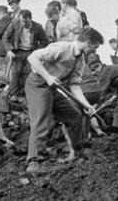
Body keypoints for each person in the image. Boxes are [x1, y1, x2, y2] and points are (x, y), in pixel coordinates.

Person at [24, 26, 104, 173]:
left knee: (74, 116)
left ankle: (78, 151)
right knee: (42, 121)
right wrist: (48, 77)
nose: (95, 52)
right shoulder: (62, 48)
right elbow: (32, 57)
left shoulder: (80, 60)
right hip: (38, 85)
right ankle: (33, 161)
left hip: (52, 88)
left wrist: (86, 105)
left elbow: (74, 85)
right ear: (87, 43)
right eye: (94, 48)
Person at [3, 9, 49, 102]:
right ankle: (13, 94)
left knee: (30, 73)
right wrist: (9, 50)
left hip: (31, 52)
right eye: (21, 21)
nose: (23, 23)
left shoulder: (38, 27)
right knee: (16, 72)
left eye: (25, 21)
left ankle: (28, 94)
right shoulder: (14, 24)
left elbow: (44, 41)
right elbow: (5, 38)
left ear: (30, 19)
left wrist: (37, 52)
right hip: (18, 51)